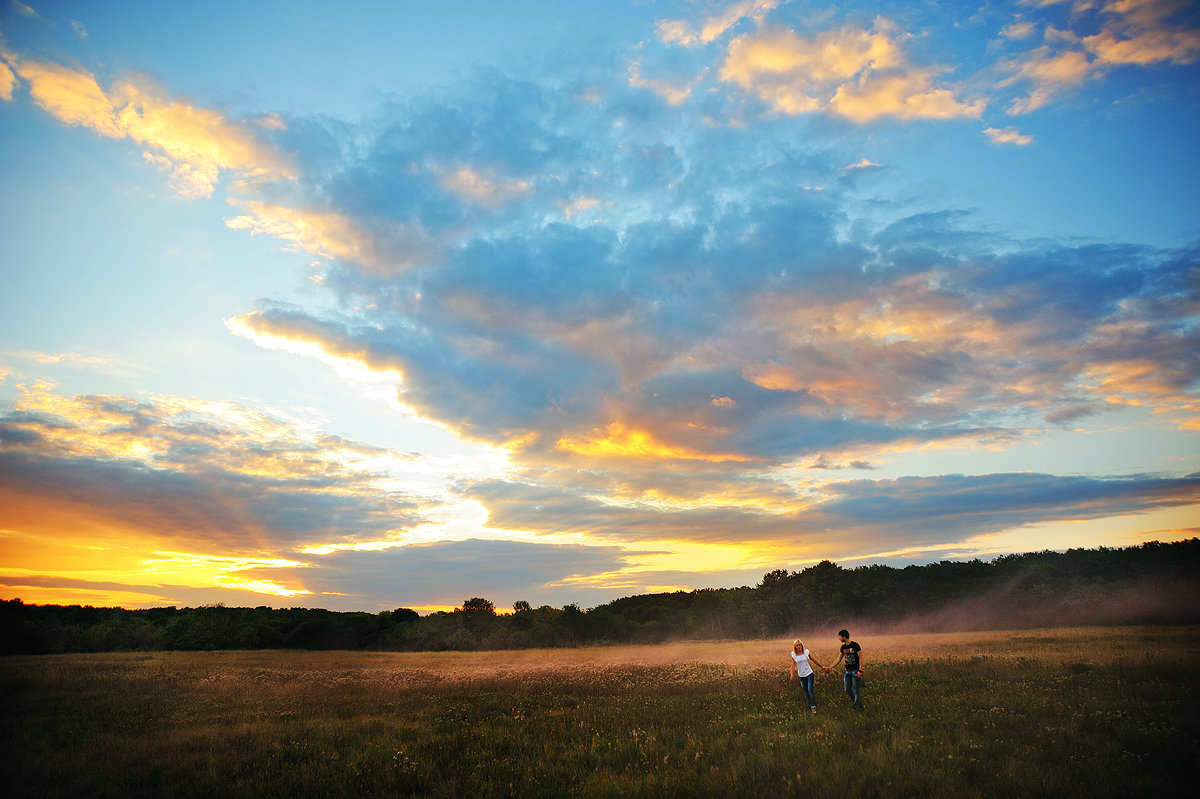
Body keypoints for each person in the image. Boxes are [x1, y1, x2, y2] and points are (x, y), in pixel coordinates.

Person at [824, 628, 863, 709]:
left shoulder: (855, 645)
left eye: (840, 637)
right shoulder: (843, 647)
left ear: (844, 637)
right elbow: (839, 659)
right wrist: (830, 667)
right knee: (847, 690)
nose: (839, 639)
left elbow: (860, 658)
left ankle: (856, 707)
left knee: (856, 690)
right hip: (847, 672)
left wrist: (860, 670)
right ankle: (858, 704)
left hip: (855, 671)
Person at [788, 638, 825, 714]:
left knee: (810, 690)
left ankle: (813, 707)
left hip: (809, 674)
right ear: (795, 647)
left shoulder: (806, 652)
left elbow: (814, 660)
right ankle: (809, 709)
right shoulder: (794, 655)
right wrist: (791, 675)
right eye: (797, 645)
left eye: (799, 645)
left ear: (802, 646)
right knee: (806, 693)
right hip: (801, 676)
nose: (798, 647)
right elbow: (792, 666)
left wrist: (822, 667)